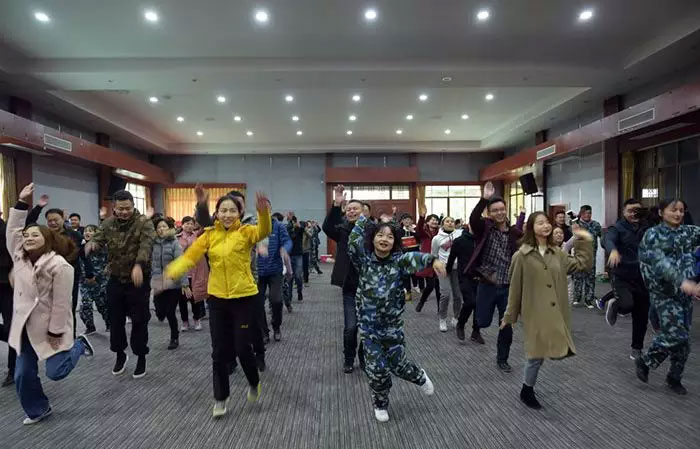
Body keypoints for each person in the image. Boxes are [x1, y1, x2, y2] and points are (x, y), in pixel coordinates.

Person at [166, 192, 271, 418]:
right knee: (219, 351)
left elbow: (263, 232)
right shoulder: (209, 235)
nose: (227, 215)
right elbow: (190, 256)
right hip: (217, 299)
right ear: (217, 213)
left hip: (244, 298)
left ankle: (254, 381)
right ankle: (221, 397)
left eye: (232, 210)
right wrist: (171, 273)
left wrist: (263, 213)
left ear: (239, 213)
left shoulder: (246, 232)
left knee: (242, 347)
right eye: (223, 210)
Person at [6, 183, 95, 425]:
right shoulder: (20, 258)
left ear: (46, 240)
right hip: (25, 327)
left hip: (51, 327)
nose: (28, 238)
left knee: (55, 372)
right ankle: (39, 409)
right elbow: (13, 231)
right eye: (27, 236)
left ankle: (79, 345)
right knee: (22, 374)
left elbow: (62, 304)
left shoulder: (60, 266)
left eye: (35, 235)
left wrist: (55, 332)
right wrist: (22, 203)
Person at [348, 213, 445, 422]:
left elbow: (414, 258)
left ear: (394, 242)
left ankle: (419, 376)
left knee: (399, 366)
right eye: (380, 235)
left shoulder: (399, 262)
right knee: (377, 370)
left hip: (392, 327)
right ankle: (380, 404)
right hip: (369, 329)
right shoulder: (364, 261)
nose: (384, 239)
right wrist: (362, 219)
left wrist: (433, 260)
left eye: (390, 237)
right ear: (373, 239)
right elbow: (353, 243)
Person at [502, 212, 593, 409]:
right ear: (531, 228)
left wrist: (583, 240)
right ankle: (527, 390)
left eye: (547, 222)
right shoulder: (521, 256)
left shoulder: (558, 253)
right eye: (540, 223)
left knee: (542, 353)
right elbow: (515, 288)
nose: (545, 226)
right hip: (534, 311)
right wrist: (509, 315)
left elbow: (582, 264)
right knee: (536, 353)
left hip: (555, 310)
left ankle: (527, 388)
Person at [85, 190, 155, 379]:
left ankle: (141, 356)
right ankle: (120, 354)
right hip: (116, 278)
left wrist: (138, 265)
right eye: (120, 209)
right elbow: (98, 238)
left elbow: (146, 246)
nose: (124, 212)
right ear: (114, 208)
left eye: (128, 208)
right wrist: (92, 244)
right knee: (115, 320)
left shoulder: (144, 223)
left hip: (138, 280)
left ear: (133, 206)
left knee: (139, 320)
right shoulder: (108, 223)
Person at [635, 199, 700, 395]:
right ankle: (646, 361)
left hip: (684, 294)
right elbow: (660, 264)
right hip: (663, 293)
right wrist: (682, 282)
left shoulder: (689, 232)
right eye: (674, 210)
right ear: (662, 212)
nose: (678, 214)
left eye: (681, 210)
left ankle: (674, 377)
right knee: (675, 334)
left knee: (684, 341)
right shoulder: (653, 235)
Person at [467, 181, 524, 373]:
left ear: (506, 210)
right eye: (495, 210)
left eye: (502, 209)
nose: (499, 213)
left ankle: (502, 359)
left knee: (506, 325)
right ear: (490, 213)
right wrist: (484, 199)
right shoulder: (484, 228)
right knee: (483, 321)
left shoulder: (515, 233)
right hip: (487, 283)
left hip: (508, 286)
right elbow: (473, 218)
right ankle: (476, 328)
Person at [323, 185, 365, 374]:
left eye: (356, 209)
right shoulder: (342, 230)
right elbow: (327, 227)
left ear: (363, 212)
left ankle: (364, 357)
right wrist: (336, 204)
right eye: (349, 209)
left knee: (368, 328)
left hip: (369, 286)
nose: (352, 211)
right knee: (351, 327)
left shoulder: (371, 231)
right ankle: (349, 358)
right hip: (349, 286)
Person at [603, 199, 651, 360]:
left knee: (641, 316)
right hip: (622, 276)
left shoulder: (647, 228)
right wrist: (613, 251)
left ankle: (637, 349)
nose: (633, 214)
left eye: (637, 211)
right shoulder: (617, 228)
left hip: (643, 278)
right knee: (627, 304)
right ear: (623, 212)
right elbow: (608, 240)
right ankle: (615, 304)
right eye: (630, 211)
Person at [151, 218, 189, 350]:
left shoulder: (174, 243)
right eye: (159, 227)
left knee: (170, 312)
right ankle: (160, 313)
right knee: (160, 311)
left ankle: (174, 337)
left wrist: (185, 284)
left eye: (164, 227)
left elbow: (181, 264)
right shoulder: (152, 243)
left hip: (173, 284)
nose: (161, 229)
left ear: (169, 229)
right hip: (158, 283)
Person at [257, 212, 292, 344]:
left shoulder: (278, 226)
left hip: (275, 270)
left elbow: (287, 241)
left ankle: (276, 326)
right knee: (257, 303)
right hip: (258, 272)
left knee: (276, 300)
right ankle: (263, 332)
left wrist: (285, 249)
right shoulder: (254, 226)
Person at [448, 226, 483, 344]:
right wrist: (447, 271)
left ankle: (476, 331)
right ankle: (461, 324)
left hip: (480, 276)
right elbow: (452, 257)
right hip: (464, 276)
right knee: (470, 301)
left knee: (479, 304)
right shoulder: (459, 241)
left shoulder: (482, 239)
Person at [431, 216, 463, 332]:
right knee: (445, 294)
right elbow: (434, 255)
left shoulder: (459, 235)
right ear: (442, 224)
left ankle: (456, 317)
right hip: (443, 269)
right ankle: (442, 318)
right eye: (447, 221)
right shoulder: (436, 238)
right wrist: (436, 267)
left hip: (456, 268)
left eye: (452, 221)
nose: (450, 223)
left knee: (458, 295)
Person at [78, 225, 110, 334]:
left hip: (100, 281)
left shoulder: (103, 247)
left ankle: (109, 323)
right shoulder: (80, 247)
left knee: (102, 305)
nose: (87, 233)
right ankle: (90, 327)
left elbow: (110, 261)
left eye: (91, 231)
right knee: (85, 305)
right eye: (86, 231)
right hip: (85, 282)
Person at [177, 216, 206, 331]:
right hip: (182, 273)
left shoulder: (197, 236)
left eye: (191, 224)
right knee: (182, 300)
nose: (189, 226)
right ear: (182, 225)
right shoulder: (177, 238)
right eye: (187, 224)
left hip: (195, 272)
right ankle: (185, 322)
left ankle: (197, 319)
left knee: (195, 298)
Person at [571, 205, 602, 308]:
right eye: (585, 213)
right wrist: (574, 218)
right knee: (578, 277)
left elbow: (603, 237)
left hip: (591, 256)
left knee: (590, 278)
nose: (587, 215)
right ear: (581, 214)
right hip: (579, 255)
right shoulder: (576, 224)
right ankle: (577, 297)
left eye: (589, 213)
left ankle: (588, 299)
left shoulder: (596, 225)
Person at [414, 206, 442, 312]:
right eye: (432, 220)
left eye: (436, 220)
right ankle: (422, 301)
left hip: (439, 261)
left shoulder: (441, 232)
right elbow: (419, 228)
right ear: (428, 222)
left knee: (439, 287)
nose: (435, 221)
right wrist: (422, 217)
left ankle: (440, 309)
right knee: (430, 285)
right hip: (427, 261)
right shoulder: (424, 233)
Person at [0, 207, 16, 387]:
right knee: (11, 331)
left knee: (11, 327)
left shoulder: (6, 230)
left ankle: (13, 369)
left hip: (7, 286)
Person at [285, 215, 305, 302]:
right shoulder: (288, 229)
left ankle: (299, 292)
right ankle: (289, 296)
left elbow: (303, 228)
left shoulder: (299, 229)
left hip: (298, 255)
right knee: (290, 276)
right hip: (289, 255)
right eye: (290, 221)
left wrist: (298, 226)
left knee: (298, 275)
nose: (291, 223)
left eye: (292, 221)